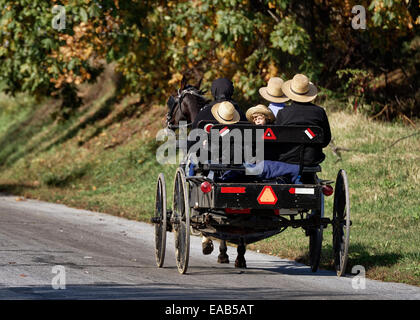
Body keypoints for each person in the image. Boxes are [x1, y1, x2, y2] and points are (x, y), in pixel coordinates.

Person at [275, 74, 331, 166]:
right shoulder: (319, 112)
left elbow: (278, 142)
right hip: (312, 159)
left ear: (291, 93)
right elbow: (326, 140)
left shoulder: (283, 113)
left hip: (287, 159)